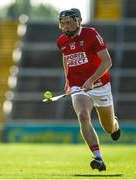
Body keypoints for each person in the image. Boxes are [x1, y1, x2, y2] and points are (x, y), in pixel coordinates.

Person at [56, 8, 121, 171]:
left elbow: (107, 62)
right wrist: (68, 82)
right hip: (78, 86)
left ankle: (115, 124)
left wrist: (92, 80)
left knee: (109, 128)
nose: (67, 26)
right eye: (63, 23)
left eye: (70, 22)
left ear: (79, 21)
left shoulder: (91, 34)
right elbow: (67, 60)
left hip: (100, 86)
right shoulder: (61, 41)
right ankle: (98, 158)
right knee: (83, 116)